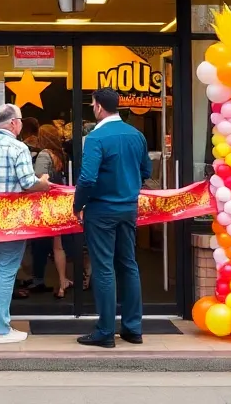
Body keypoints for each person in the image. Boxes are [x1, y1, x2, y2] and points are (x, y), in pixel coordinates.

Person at [73, 89, 150, 348]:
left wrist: (78, 204)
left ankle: (105, 331)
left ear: (97, 107)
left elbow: (87, 178)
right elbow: (146, 170)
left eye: (93, 104)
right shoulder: (136, 135)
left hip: (101, 210)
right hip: (128, 208)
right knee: (128, 264)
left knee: (104, 267)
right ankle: (133, 328)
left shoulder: (95, 138)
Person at [0, 104, 49, 343]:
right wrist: (42, 182)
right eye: (20, 120)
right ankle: (2, 329)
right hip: (11, 218)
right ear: (14, 122)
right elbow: (27, 182)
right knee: (6, 270)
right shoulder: (18, 147)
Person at [34, 124, 78, 299]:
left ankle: (40, 278)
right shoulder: (60, 155)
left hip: (46, 204)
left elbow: (38, 177)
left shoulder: (44, 155)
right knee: (58, 246)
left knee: (39, 244)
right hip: (60, 203)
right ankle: (62, 281)